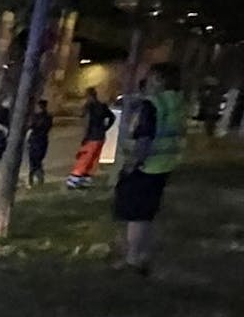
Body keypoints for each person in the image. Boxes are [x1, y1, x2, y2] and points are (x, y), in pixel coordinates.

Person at [112, 63, 186, 275]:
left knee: (135, 215)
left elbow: (144, 138)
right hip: (164, 165)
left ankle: (132, 258)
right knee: (147, 215)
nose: (148, 82)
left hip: (145, 166)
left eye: (152, 78)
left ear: (160, 80)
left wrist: (131, 164)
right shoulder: (177, 102)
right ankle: (141, 254)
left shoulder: (153, 104)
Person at [66, 87, 116, 188]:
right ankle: (86, 179)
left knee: (84, 158)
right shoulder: (102, 106)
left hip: (91, 136)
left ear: (89, 95)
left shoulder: (90, 107)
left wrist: (85, 137)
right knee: (93, 159)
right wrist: (105, 128)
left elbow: (87, 122)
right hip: (100, 136)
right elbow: (112, 117)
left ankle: (74, 179)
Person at [26, 99, 54, 186]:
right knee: (38, 159)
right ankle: (38, 178)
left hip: (35, 140)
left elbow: (31, 128)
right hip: (43, 140)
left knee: (34, 160)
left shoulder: (36, 117)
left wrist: (27, 139)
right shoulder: (49, 117)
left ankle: (33, 178)